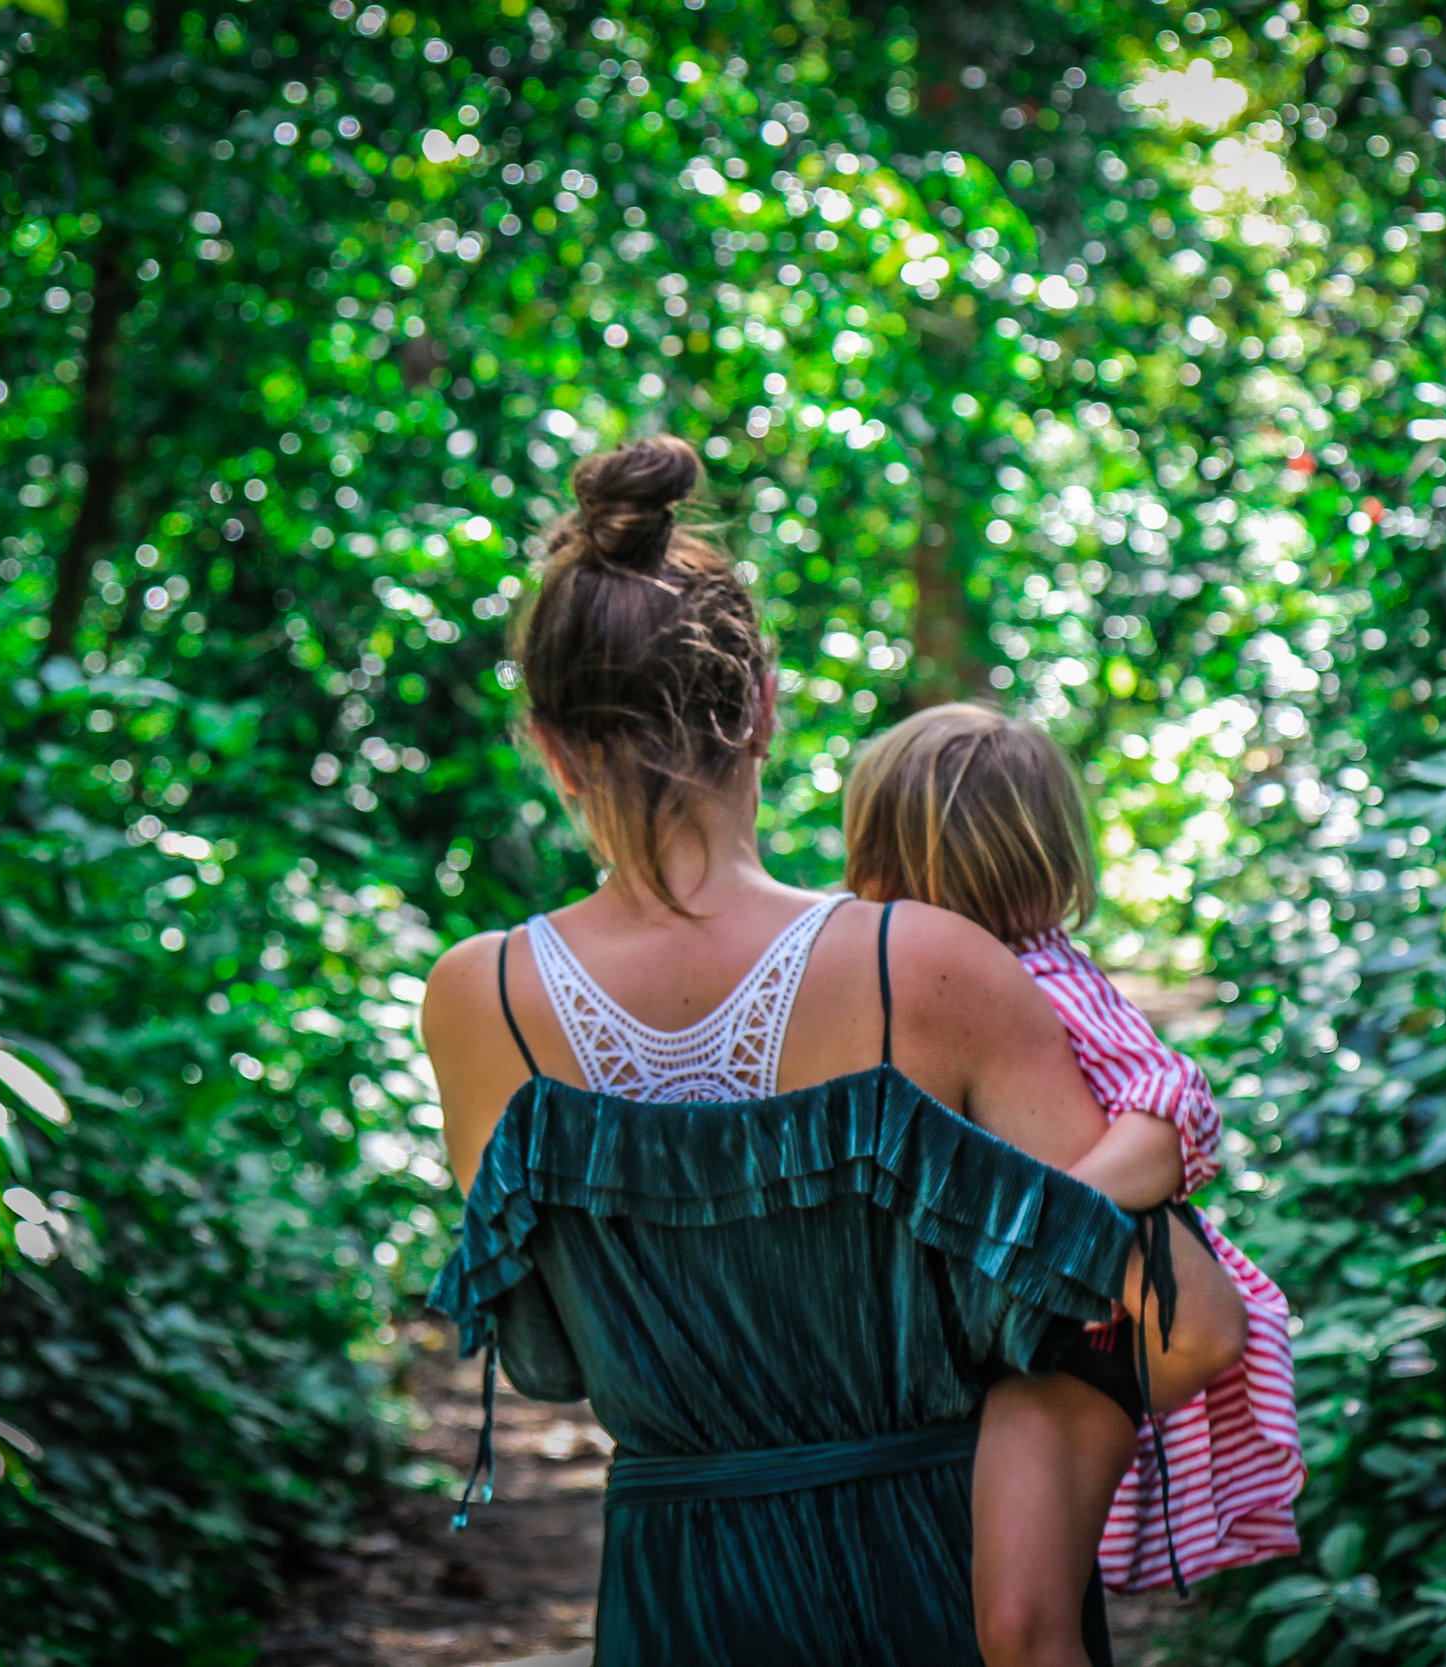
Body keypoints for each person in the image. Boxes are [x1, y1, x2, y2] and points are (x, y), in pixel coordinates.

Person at [419, 435, 1244, 1667]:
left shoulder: (477, 998)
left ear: (546, 742)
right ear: (762, 704)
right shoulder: (927, 964)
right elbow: (1191, 1319)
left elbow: (553, 1349)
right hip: (936, 1576)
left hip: (679, 1591)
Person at [842, 704, 1303, 1661]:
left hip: (1087, 1338)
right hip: (1029, 1333)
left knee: (1023, 1625)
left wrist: (1044, 1219)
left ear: (885, 864)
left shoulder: (1044, 979)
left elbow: (1174, 1115)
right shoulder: (901, 987)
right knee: (1006, 1619)